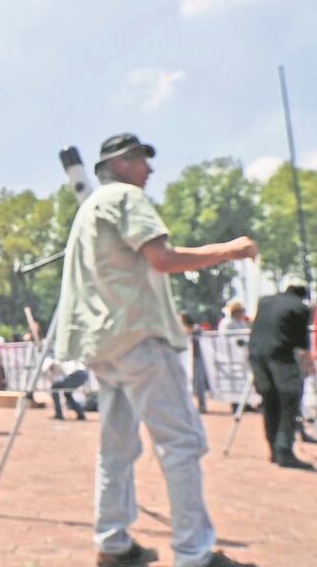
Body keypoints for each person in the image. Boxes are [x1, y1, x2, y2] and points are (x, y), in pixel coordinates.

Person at [55, 132, 258, 567]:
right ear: (123, 163)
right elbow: (162, 259)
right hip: (139, 337)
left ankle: (112, 542)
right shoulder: (126, 198)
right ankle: (194, 553)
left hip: (103, 344)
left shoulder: (88, 210)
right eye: (143, 160)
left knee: (116, 448)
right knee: (180, 442)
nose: (150, 170)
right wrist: (231, 250)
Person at [246, 281, 315, 469]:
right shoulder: (300, 307)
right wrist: (309, 365)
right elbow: (302, 344)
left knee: (269, 402)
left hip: (256, 356)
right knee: (289, 401)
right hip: (281, 358)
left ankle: (273, 451)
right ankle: (284, 451)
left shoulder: (265, 301)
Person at [180, 312, 209, 414]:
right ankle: (187, 407)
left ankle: (202, 405)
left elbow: (201, 338)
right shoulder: (180, 330)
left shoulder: (197, 329)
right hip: (185, 359)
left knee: (199, 383)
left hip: (197, 359)